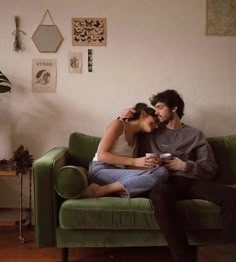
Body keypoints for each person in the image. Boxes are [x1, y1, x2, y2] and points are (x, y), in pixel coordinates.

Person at [120, 90, 236, 262]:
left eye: (159, 107)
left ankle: (228, 255)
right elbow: (126, 136)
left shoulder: (195, 135)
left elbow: (210, 168)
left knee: (231, 196)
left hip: (191, 181)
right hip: (164, 182)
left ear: (174, 108)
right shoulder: (151, 131)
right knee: (160, 195)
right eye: (155, 108)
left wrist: (184, 165)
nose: (156, 112)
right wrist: (123, 118)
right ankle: (184, 259)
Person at [80, 103, 169, 198]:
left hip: (120, 171)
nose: (156, 126)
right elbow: (102, 155)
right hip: (101, 169)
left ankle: (117, 189)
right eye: (155, 121)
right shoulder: (118, 124)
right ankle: (100, 191)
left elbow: (129, 167)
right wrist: (135, 162)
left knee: (161, 171)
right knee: (154, 176)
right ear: (143, 114)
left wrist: (149, 165)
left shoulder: (137, 140)